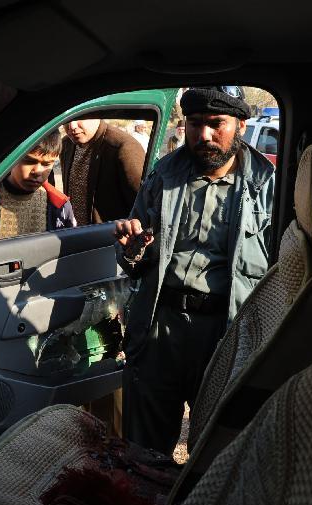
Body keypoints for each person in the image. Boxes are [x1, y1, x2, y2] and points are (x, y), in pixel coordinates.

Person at [114, 86, 275, 455]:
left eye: (216, 124)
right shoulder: (162, 176)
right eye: (195, 124)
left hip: (227, 334)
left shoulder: (268, 186)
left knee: (217, 453)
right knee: (143, 452)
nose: (203, 136)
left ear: (242, 125)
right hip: (160, 328)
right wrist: (131, 251)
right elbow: (134, 264)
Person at [0, 131, 76, 239]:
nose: (37, 171)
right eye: (29, 161)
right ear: (11, 157)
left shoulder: (60, 206)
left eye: (47, 164)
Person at [60, 117, 145, 225]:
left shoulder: (124, 148)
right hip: (73, 234)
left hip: (109, 238)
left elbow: (143, 204)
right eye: (67, 120)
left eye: (80, 117)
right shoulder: (67, 144)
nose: (72, 126)